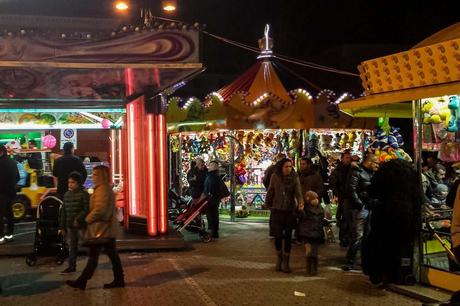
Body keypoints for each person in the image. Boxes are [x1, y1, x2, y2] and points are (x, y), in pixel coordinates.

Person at [363, 159, 421, 286]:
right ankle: (400, 274)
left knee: (383, 246)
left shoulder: (384, 172)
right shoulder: (412, 175)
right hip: (408, 216)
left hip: (386, 215)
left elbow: (373, 191)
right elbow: (418, 197)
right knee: (403, 247)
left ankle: (383, 274)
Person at [66, 165, 124, 290]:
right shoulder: (103, 188)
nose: (93, 176)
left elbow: (100, 210)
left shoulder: (102, 189)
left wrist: (87, 219)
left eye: (96, 174)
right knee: (108, 255)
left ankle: (82, 281)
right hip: (105, 229)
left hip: (101, 229)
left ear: (102, 176)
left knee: (95, 256)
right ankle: (118, 279)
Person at [265, 158, 304, 273]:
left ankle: (286, 261)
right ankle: (279, 258)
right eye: (286, 166)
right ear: (281, 167)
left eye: (290, 166)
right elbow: (271, 191)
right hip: (277, 210)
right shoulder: (275, 176)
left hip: (289, 210)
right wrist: (267, 203)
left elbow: (298, 192)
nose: (288, 169)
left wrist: (300, 202)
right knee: (277, 235)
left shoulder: (294, 177)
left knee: (287, 236)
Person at [342, 153, 379, 271]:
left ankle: (365, 261)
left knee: (367, 235)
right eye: (376, 163)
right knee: (358, 235)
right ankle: (350, 261)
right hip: (359, 208)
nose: (377, 166)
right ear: (369, 162)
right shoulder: (356, 172)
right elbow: (351, 190)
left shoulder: (372, 173)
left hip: (368, 206)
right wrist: (360, 204)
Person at [59, 171, 90, 274]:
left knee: (86, 244)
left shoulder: (84, 194)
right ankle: (71, 266)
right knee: (72, 247)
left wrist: (78, 218)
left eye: (73, 182)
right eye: (69, 182)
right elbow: (63, 211)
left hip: (81, 225)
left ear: (79, 183)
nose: (70, 184)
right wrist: (62, 226)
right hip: (70, 225)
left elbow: (87, 209)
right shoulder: (67, 195)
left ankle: (91, 264)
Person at [298, 191, 329, 276]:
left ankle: (314, 269)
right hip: (307, 234)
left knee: (314, 252)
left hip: (316, 233)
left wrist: (326, 222)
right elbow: (302, 218)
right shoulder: (305, 209)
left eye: (316, 198)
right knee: (308, 252)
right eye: (313, 199)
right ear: (309, 200)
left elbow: (321, 220)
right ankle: (308, 269)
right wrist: (301, 211)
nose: (316, 200)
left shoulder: (320, 209)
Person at [329, 150, 353, 247]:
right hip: (343, 198)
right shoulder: (338, 171)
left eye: (349, 157)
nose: (348, 159)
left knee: (349, 219)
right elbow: (333, 183)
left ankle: (348, 238)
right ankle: (344, 239)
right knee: (345, 219)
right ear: (342, 158)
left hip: (350, 197)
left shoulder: (352, 169)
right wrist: (338, 194)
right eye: (346, 157)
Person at [202, 161, 228, 239]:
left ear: (213, 167)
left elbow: (210, 189)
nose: (208, 167)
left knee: (211, 216)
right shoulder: (215, 176)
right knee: (214, 215)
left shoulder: (212, 176)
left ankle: (212, 231)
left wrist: (208, 196)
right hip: (214, 199)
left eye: (210, 165)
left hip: (211, 200)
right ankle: (214, 232)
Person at [0, 145, 20, 245]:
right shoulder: (13, 163)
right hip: (10, 193)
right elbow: (18, 177)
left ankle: (1, 237)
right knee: (9, 214)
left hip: (1, 193)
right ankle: (10, 235)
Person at [263, 153, 286, 237]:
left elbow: (265, 181)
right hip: (277, 195)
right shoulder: (273, 169)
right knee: (277, 213)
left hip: (277, 195)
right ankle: (277, 232)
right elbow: (266, 181)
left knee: (276, 214)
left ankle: (275, 232)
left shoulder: (271, 168)